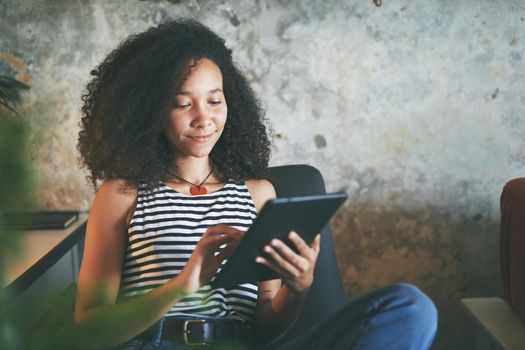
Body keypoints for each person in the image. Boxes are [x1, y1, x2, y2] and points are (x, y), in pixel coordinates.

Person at [75, 18, 438, 350]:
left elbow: (265, 326)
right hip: (157, 342)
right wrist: (181, 286)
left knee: (409, 307)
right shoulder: (122, 195)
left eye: (215, 101)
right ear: (149, 111)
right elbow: (89, 328)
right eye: (183, 104)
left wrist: (297, 289)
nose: (204, 118)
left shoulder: (257, 193)